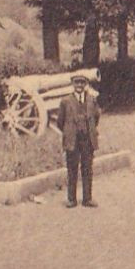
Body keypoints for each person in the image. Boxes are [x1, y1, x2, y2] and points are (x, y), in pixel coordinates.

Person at [56, 72, 100, 207]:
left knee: (87, 169)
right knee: (72, 169)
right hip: (72, 139)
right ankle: (71, 199)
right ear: (72, 84)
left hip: (87, 139)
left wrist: (89, 130)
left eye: (82, 82)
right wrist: (69, 132)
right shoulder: (65, 101)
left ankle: (87, 199)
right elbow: (60, 121)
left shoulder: (92, 100)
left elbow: (96, 117)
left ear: (86, 84)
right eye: (77, 82)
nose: (79, 85)